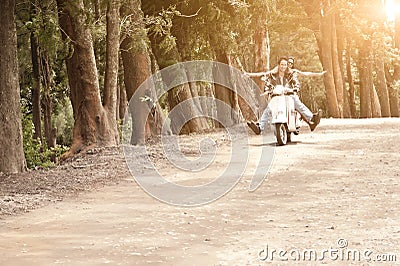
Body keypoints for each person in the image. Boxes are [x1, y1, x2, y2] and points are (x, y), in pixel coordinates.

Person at [246, 56, 321, 134]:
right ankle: (259, 127)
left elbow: (296, 82)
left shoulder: (290, 74)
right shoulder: (273, 75)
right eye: (282, 64)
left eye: (285, 65)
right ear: (278, 65)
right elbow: (267, 82)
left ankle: (312, 118)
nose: (283, 66)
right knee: (268, 108)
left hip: (289, 95)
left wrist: (295, 88)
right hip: (277, 96)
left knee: (297, 103)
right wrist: (267, 90)